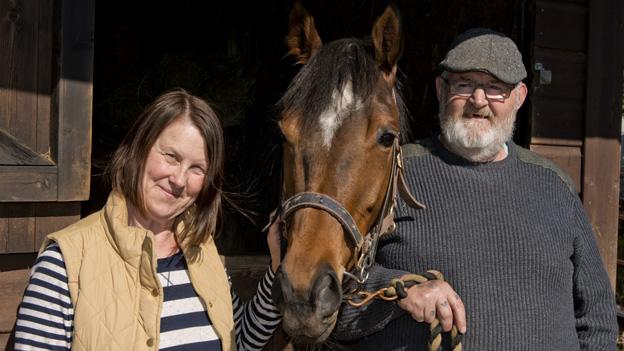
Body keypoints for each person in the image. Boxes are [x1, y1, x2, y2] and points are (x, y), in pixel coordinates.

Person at [332, 28, 618, 350]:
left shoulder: (554, 186)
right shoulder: (391, 176)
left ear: (519, 97)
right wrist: (398, 291)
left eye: (495, 88)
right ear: (441, 89)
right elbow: (327, 299)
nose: (478, 101)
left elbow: (598, 321)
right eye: (464, 84)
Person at [13, 89, 282, 351]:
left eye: (197, 168)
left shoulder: (203, 255)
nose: (179, 179)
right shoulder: (64, 264)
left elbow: (240, 342)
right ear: (139, 148)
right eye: (171, 156)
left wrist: (277, 267)